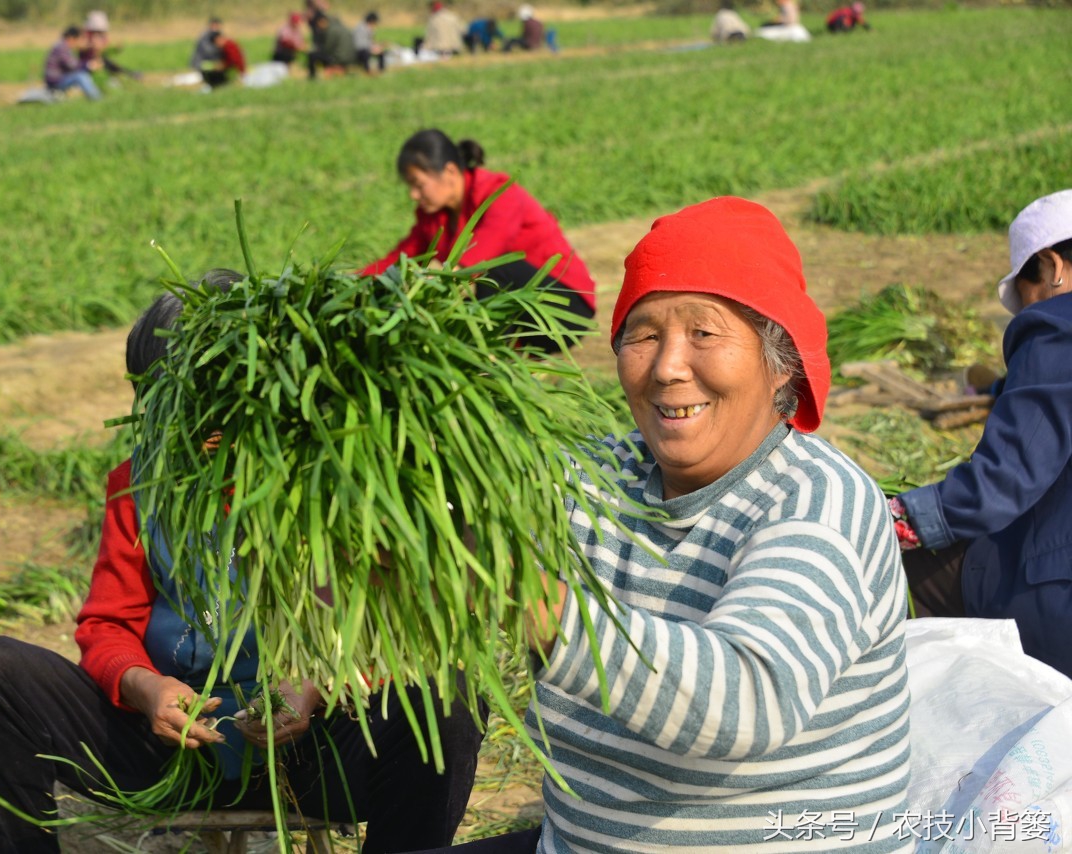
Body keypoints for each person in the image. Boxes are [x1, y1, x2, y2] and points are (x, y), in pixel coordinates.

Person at [418, 196, 913, 852]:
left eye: (703, 333)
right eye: (645, 334)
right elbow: (455, 524)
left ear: (780, 363)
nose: (668, 366)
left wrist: (540, 606)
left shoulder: (819, 503)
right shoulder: (594, 479)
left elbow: (748, 700)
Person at [0, 281, 488, 853]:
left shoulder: (333, 477)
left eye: (215, 400)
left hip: (316, 759)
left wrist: (314, 685)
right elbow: (107, 626)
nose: (196, 424)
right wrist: (145, 687)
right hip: (174, 756)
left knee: (448, 697)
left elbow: (391, 620)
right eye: (170, 404)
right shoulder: (139, 486)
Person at [893, 189, 1072, 680]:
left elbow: (1002, 482)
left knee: (900, 574)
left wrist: (897, 520)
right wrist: (997, 388)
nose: (1029, 311)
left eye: (1028, 294)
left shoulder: (1059, 325)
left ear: (1053, 265)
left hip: (1059, 605)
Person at [361, 129, 596, 353]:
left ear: (450, 172)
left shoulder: (501, 193)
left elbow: (483, 251)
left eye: (419, 184)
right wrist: (354, 282)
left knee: (486, 271)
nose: (413, 194)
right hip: (522, 319)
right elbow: (401, 257)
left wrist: (437, 274)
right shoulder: (433, 218)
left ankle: (492, 359)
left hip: (564, 310)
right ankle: (498, 358)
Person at [80, 10, 143, 83]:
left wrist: (116, 49)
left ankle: (128, 74)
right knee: (102, 64)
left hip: (99, 60)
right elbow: (81, 48)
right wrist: (91, 46)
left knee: (109, 63)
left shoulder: (102, 36)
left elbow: (105, 50)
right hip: (86, 63)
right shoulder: (85, 35)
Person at [44, 26, 101, 100]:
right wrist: (89, 65)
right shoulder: (62, 48)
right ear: (71, 38)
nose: (79, 42)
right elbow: (73, 65)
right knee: (81, 76)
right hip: (55, 82)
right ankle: (97, 99)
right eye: (78, 39)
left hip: (57, 79)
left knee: (81, 74)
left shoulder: (61, 45)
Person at [190, 20, 247, 90]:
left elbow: (234, 61)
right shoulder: (206, 39)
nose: (217, 45)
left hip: (235, 73)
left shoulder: (229, 45)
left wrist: (223, 65)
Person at [307, 11, 355, 80]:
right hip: (351, 57)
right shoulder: (340, 26)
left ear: (321, 21)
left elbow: (328, 49)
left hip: (339, 59)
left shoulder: (330, 30)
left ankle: (312, 77)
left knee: (312, 55)